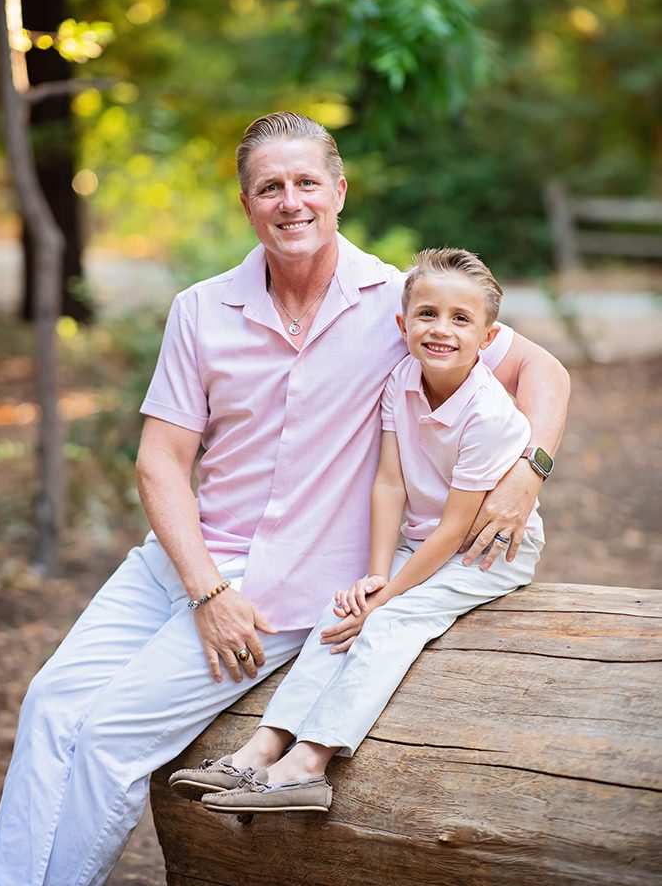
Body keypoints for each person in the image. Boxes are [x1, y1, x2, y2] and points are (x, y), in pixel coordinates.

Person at [0, 113, 569, 886]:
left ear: (337, 191)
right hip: (183, 564)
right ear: (246, 204)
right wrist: (204, 586)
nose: (290, 201)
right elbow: (160, 463)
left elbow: (546, 374)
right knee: (47, 706)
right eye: (270, 187)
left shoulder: (399, 307)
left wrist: (526, 471)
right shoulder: (201, 309)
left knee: (107, 738)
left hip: (286, 588)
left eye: (306, 183)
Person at [173, 247, 547, 815]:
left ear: (489, 339)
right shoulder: (401, 380)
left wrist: (387, 597)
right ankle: (263, 748)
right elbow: (389, 484)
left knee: (389, 623)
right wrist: (373, 577)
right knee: (343, 609)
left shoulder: (491, 418)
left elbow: (456, 527)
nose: (440, 329)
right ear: (402, 324)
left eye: (460, 319)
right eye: (426, 314)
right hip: (421, 540)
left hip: (485, 548)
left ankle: (308, 764)